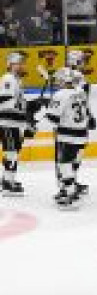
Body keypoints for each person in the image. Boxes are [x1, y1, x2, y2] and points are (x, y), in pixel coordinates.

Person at [45, 67, 92, 209]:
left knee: (64, 165)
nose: (57, 82)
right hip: (82, 134)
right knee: (71, 164)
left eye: (59, 80)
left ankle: (71, 194)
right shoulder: (80, 92)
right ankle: (66, 190)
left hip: (67, 135)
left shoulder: (60, 94)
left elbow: (53, 118)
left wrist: (45, 110)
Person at [0, 53, 28, 197]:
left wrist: (28, 107)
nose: (22, 66)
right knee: (11, 152)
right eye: (19, 63)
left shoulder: (17, 80)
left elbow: (16, 102)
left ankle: (8, 179)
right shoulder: (8, 79)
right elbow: (4, 99)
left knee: (13, 152)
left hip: (14, 122)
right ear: (11, 65)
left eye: (23, 63)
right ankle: (7, 184)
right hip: (8, 122)